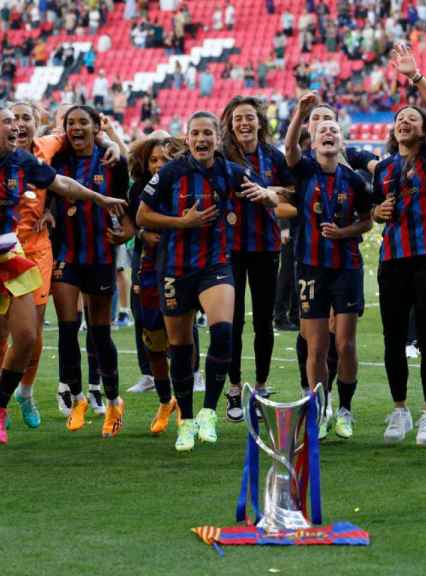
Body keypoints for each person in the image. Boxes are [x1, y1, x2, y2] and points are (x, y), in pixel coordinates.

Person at [0, 66, 127, 451]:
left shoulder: (24, 161)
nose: (14, 127)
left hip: (6, 252)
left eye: (17, 122)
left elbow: (62, 183)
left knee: (29, 337)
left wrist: (100, 198)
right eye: (5, 122)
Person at [137, 111, 284, 452]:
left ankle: (208, 412)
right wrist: (182, 222)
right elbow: (142, 215)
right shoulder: (171, 173)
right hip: (174, 267)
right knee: (181, 348)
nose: (202, 140)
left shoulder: (230, 172)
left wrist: (268, 196)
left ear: (218, 139)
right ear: (187, 139)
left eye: (208, 134)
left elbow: (267, 191)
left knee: (223, 332)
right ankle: (186, 421)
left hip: (215, 264)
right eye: (196, 134)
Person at [371, 45, 426, 446]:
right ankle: (399, 409)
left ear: (422, 128)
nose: (405, 121)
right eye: (400, 118)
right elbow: (376, 212)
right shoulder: (382, 168)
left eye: (412, 118)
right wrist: (377, 214)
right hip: (393, 259)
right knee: (392, 337)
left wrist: (414, 75)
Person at [285, 92, 372, 441]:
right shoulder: (304, 170)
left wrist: (344, 232)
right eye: (322, 130)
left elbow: (366, 222)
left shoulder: (354, 181)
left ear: (341, 139)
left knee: (346, 344)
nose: (328, 133)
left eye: (334, 130)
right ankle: (318, 408)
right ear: (313, 138)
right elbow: (289, 148)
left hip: (346, 268)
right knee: (317, 346)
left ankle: (346, 409)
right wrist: (299, 112)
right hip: (310, 267)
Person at [51, 105, 133, 438]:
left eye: (83, 122)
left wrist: (126, 233)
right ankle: (78, 398)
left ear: (96, 126)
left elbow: (129, 205)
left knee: (100, 333)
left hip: (100, 253)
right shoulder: (56, 158)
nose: (76, 128)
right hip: (65, 254)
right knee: (68, 328)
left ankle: (113, 401)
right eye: (71, 123)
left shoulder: (113, 160)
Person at [219, 96, 295, 422]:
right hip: (229, 248)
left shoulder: (273, 157)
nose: (244, 123)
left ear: (260, 122)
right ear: (230, 123)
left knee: (264, 321)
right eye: (238, 118)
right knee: (232, 321)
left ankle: (261, 386)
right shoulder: (221, 157)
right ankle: (234, 388)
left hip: (265, 247)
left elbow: (294, 192)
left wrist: (270, 191)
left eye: (250, 117)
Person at [127, 133, 183, 433]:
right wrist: (141, 233)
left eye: (165, 159)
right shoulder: (139, 189)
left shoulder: (184, 185)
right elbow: (131, 224)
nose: (159, 165)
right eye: (153, 160)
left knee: (181, 335)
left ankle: (185, 408)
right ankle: (164, 399)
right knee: (153, 337)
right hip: (148, 269)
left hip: (182, 267)